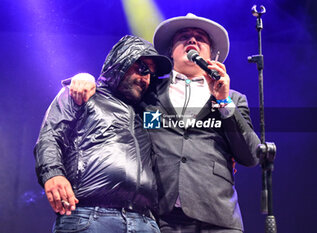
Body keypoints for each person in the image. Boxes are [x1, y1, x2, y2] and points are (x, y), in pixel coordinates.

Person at [69, 13, 261, 233]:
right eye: (184, 37)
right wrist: (86, 78)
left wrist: (224, 101)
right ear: (171, 51)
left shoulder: (233, 99)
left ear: (213, 54)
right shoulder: (148, 90)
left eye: (200, 38)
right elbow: (111, 94)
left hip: (218, 218)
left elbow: (250, 155)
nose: (192, 41)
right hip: (160, 217)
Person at [34, 35, 172, 233]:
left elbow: (177, 135)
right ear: (121, 62)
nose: (146, 79)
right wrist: (52, 174)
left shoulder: (147, 113)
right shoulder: (82, 93)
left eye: (151, 74)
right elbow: (50, 137)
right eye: (142, 68)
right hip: (89, 217)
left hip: (144, 222)